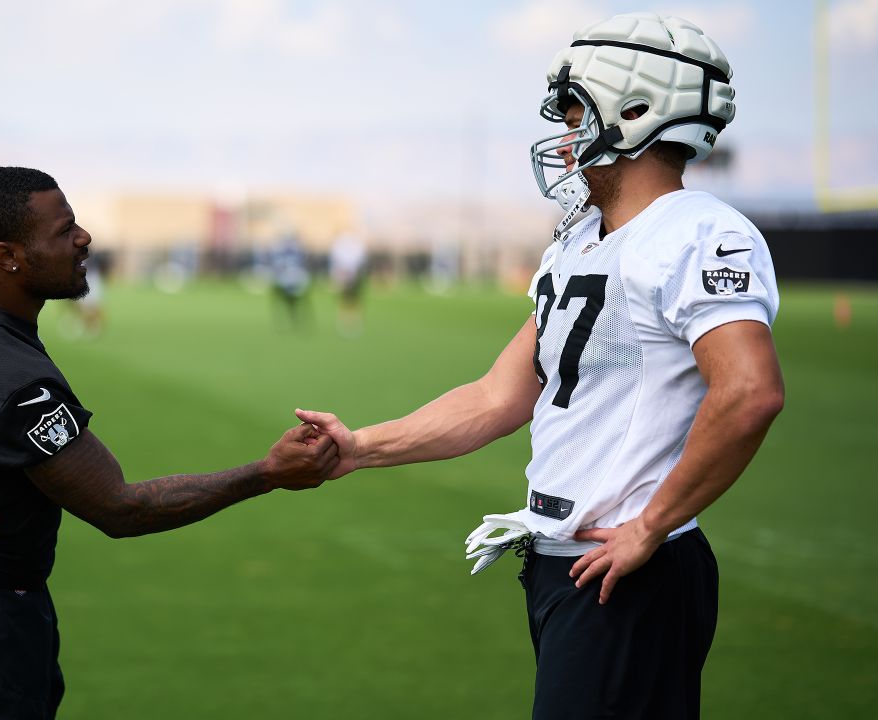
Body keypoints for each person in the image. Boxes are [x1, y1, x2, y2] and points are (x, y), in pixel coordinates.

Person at [296, 13, 783, 719]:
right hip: (565, 567)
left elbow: (749, 392)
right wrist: (362, 448)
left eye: (578, 110)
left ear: (637, 111)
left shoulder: (697, 233)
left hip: (626, 574)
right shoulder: (585, 240)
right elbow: (498, 396)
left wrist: (651, 524)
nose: (564, 134)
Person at [0, 166, 338, 720]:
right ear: (7, 256)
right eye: (63, 230)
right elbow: (119, 507)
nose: (84, 237)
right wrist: (267, 473)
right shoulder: (15, 382)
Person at [328, 228, 368, 337]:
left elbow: (360, 258)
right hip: (345, 274)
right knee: (346, 300)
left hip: (351, 275)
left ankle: (352, 322)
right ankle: (346, 323)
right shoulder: (342, 244)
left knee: (352, 300)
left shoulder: (352, 244)